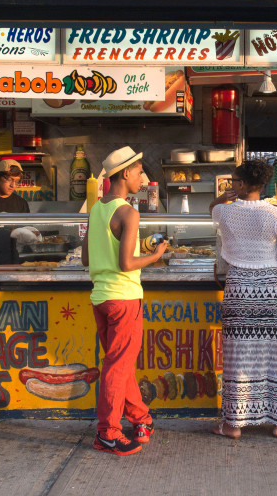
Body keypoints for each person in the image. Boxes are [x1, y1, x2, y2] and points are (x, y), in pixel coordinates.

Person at [81, 146, 166, 456]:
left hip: (101, 298)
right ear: (125, 173)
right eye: (139, 170)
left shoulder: (96, 210)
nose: (142, 176)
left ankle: (141, 419)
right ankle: (108, 433)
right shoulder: (129, 211)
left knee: (122, 365)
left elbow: (85, 258)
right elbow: (127, 264)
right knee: (117, 368)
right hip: (124, 299)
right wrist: (155, 255)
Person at [209, 159, 277, 439]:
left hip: (238, 289)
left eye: (234, 181)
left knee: (238, 357)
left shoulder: (224, 213)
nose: (230, 185)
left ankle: (233, 425)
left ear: (245, 184)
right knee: (275, 356)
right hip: (272, 290)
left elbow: (210, 209)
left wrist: (222, 197)